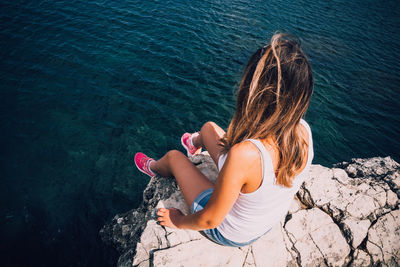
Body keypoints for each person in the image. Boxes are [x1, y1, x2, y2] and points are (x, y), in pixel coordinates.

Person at [134, 33, 314, 247]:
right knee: (209, 128)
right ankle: (195, 144)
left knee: (174, 157)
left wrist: (179, 220)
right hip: (261, 223)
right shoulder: (304, 131)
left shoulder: (245, 155)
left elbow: (211, 219)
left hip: (229, 232)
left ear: (253, 92)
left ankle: (154, 167)